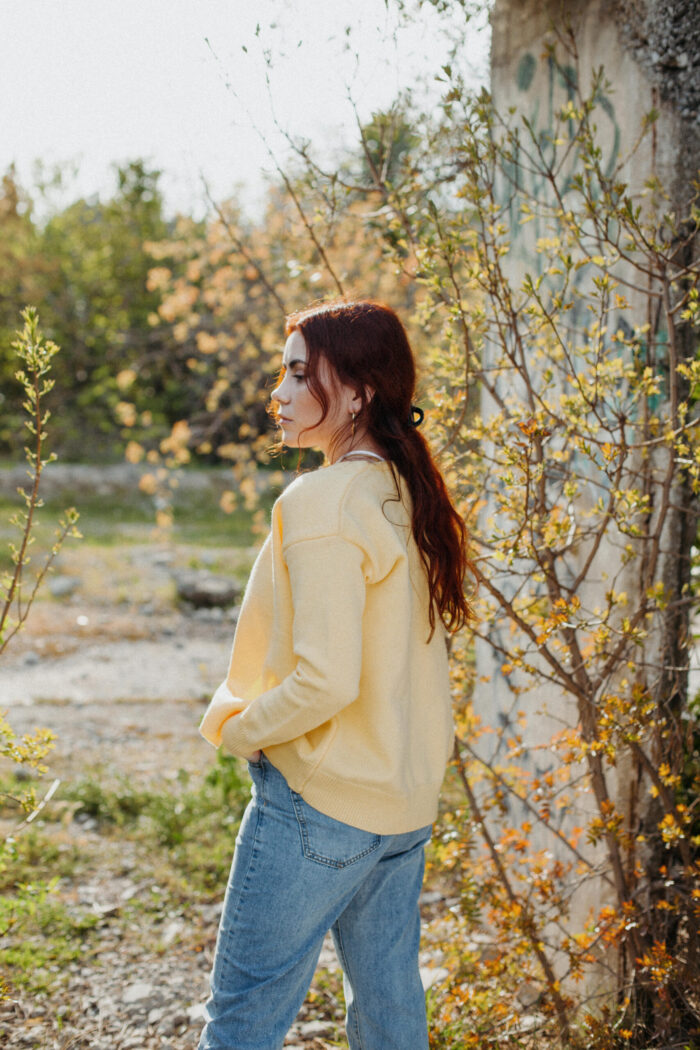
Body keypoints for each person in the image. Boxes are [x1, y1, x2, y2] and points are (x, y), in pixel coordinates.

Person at [197, 299, 471, 1050]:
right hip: (400, 806)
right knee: (388, 1012)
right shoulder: (405, 492)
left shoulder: (323, 501)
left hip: (322, 805)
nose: (277, 395)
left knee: (243, 1019)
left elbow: (325, 681)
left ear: (357, 391)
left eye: (296, 374)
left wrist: (242, 730)